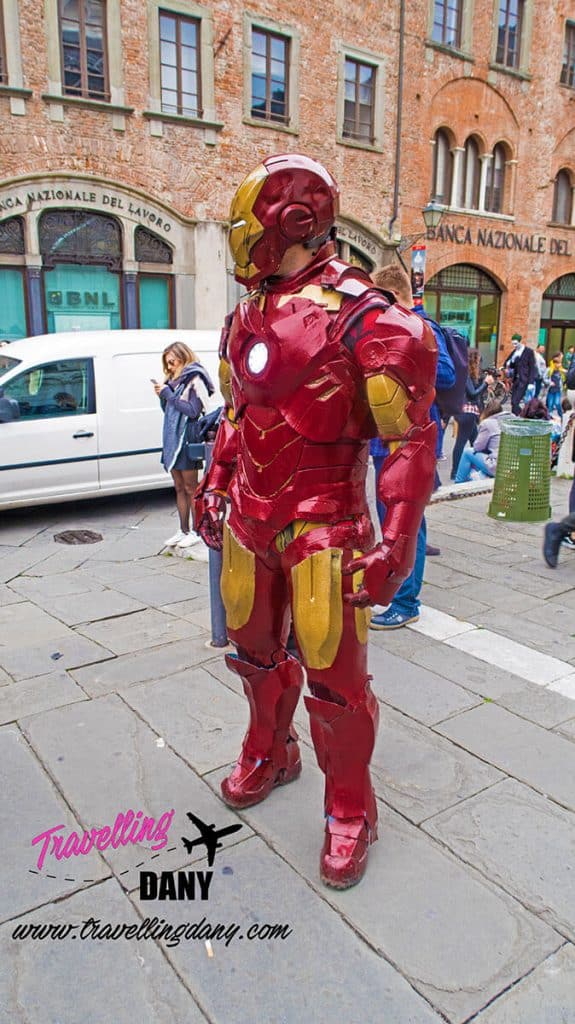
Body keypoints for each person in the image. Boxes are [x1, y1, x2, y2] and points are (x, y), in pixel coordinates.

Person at [194, 154, 437, 889]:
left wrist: (394, 541)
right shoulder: (245, 315)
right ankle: (271, 750)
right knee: (252, 652)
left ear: (292, 224)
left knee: (335, 677)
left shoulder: (370, 317)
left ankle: (349, 806)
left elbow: (408, 440)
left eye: (248, 227)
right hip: (249, 519)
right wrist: (216, 482)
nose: (237, 241)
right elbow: (238, 415)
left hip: (325, 523)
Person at [367, 263, 455, 629]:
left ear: (390, 297)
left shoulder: (421, 328)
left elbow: (446, 373)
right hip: (385, 444)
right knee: (398, 525)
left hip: (407, 445)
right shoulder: (390, 327)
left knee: (404, 527)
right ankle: (396, 590)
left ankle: (405, 602)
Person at [155, 341, 214, 549]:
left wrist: (169, 395)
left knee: (191, 488)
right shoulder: (173, 380)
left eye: (171, 362)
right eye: (167, 363)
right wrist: (163, 396)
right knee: (179, 487)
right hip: (173, 439)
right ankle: (183, 530)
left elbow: (192, 411)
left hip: (188, 438)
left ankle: (198, 531)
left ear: (182, 357)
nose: (169, 367)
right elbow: (171, 413)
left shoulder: (196, 379)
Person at [451, 349, 487, 479]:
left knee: (476, 442)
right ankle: (456, 472)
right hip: (467, 413)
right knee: (462, 443)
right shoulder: (465, 374)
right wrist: (486, 383)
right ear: (473, 360)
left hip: (466, 413)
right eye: (478, 360)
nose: (479, 363)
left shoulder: (465, 373)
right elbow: (472, 394)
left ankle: (475, 468)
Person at [454, 401, 505, 482]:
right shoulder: (510, 421)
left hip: (498, 466)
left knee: (468, 452)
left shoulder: (487, 423)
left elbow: (477, 447)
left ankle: (458, 482)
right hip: (511, 466)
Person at [503, 334, 537, 414]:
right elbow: (508, 363)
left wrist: (531, 382)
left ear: (520, 342)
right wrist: (510, 362)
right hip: (516, 380)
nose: (514, 345)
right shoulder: (515, 352)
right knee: (513, 402)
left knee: (515, 401)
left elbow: (532, 368)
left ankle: (520, 415)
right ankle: (517, 416)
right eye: (513, 343)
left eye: (516, 343)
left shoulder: (529, 352)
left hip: (524, 380)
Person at [546, 352, 564, 417]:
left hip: (558, 390)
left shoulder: (561, 371)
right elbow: (544, 378)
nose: (560, 364)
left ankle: (561, 416)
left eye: (560, 363)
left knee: (557, 403)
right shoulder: (549, 370)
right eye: (558, 363)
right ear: (555, 363)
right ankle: (549, 418)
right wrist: (549, 382)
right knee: (550, 405)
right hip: (550, 390)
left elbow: (562, 379)